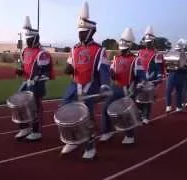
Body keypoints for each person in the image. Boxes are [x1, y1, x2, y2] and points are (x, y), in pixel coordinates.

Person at [60, 1, 111, 159]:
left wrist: (103, 86)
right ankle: (72, 140)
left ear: (91, 32)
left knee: (86, 116)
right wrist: (67, 68)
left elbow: (103, 71)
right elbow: (70, 65)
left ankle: (90, 147)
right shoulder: (75, 48)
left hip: (89, 87)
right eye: (79, 32)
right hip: (74, 85)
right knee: (66, 111)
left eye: (83, 32)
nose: (80, 35)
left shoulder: (99, 50)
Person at [99, 27, 146, 144]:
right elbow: (112, 73)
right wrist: (111, 74)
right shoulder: (116, 59)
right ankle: (107, 131)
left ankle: (130, 135)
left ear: (129, 46)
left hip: (127, 90)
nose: (122, 50)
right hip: (115, 88)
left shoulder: (136, 60)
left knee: (126, 114)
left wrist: (138, 86)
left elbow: (142, 77)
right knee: (105, 109)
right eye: (122, 49)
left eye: (124, 49)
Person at [14, 16, 55, 141]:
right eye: (27, 38)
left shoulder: (42, 53)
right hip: (26, 82)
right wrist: (20, 71)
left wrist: (37, 78)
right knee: (19, 104)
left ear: (36, 38)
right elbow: (23, 66)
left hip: (37, 85)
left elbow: (47, 73)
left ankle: (36, 131)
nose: (28, 41)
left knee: (35, 107)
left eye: (30, 38)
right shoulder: (25, 50)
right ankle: (24, 127)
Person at [137, 26, 163, 124]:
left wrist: (159, 76)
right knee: (138, 98)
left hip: (150, 78)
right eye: (146, 41)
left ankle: (146, 116)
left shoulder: (157, 54)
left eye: (149, 41)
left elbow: (158, 67)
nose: (147, 43)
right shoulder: (140, 52)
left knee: (147, 99)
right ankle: (140, 115)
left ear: (152, 41)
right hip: (140, 78)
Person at [165, 39, 187, 112]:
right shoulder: (171, 54)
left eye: (179, 49)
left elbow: (185, 66)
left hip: (180, 75)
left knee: (179, 91)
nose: (178, 50)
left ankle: (178, 106)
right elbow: (167, 64)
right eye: (177, 49)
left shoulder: (184, 55)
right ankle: (168, 105)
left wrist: (182, 67)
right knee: (168, 90)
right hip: (172, 74)